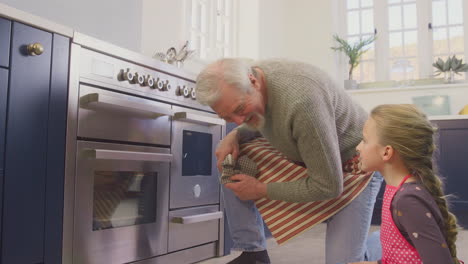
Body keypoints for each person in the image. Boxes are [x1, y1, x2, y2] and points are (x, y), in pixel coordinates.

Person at [195, 58, 383, 264]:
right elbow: (254, 120)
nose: (238, 121)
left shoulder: (302, 101)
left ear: (253, 82)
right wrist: (233, 136)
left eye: (240, 109)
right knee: (230, 159)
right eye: (227, 117)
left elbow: (328, 185)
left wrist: (260, 189)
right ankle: (252, 253)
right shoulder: (253, 83)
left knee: (346, 262)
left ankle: (386, 243)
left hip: (356, 166)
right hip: (310, 158)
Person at [350, 104, 463, 264]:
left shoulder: (408, 201)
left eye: (365, 141)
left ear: (387, 152)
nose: (358, 147)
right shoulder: (397, 189)